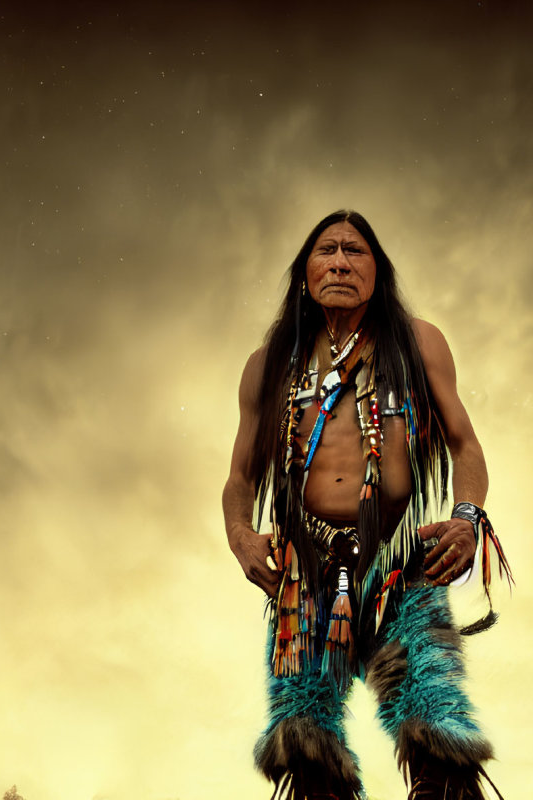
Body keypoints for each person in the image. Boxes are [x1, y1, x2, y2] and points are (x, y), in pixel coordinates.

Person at [222, 210, 512, 799]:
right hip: (303, 570)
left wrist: (467, 517)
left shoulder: (417, 340)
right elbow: (239, 477)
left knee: (439, 735)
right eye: (326, 250)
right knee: (306, 746)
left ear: (378, 271)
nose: (340, 262)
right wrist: (241, 536)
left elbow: (466, 444)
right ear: (304, 272)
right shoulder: (268, 365)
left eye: (355, 251)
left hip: (401, 559)